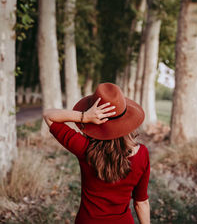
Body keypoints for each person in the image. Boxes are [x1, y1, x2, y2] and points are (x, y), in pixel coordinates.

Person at [43, 83, 150, 224]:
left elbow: (49, 115)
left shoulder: (84, 148)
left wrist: (84, 117)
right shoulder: (142, 154)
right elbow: (140, 202)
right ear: (126, 120)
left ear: (96, 119)